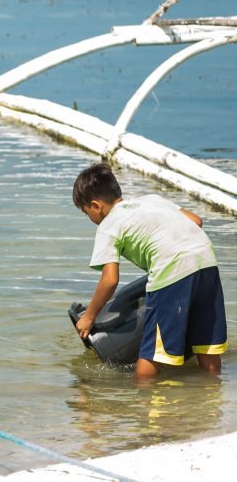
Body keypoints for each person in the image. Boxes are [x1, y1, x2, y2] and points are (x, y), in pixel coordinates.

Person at [73, 162, 227, 378]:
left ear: (96, 206)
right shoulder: (151, 200)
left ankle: (144, 402)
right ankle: (210, 398)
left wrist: (89, 317)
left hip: (172, 269)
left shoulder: (108, 226)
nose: (88, 218)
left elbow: (110, 280)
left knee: (151, 353)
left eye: (85, 212)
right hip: (206, 261)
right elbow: (196, 221)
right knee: (205, 343)